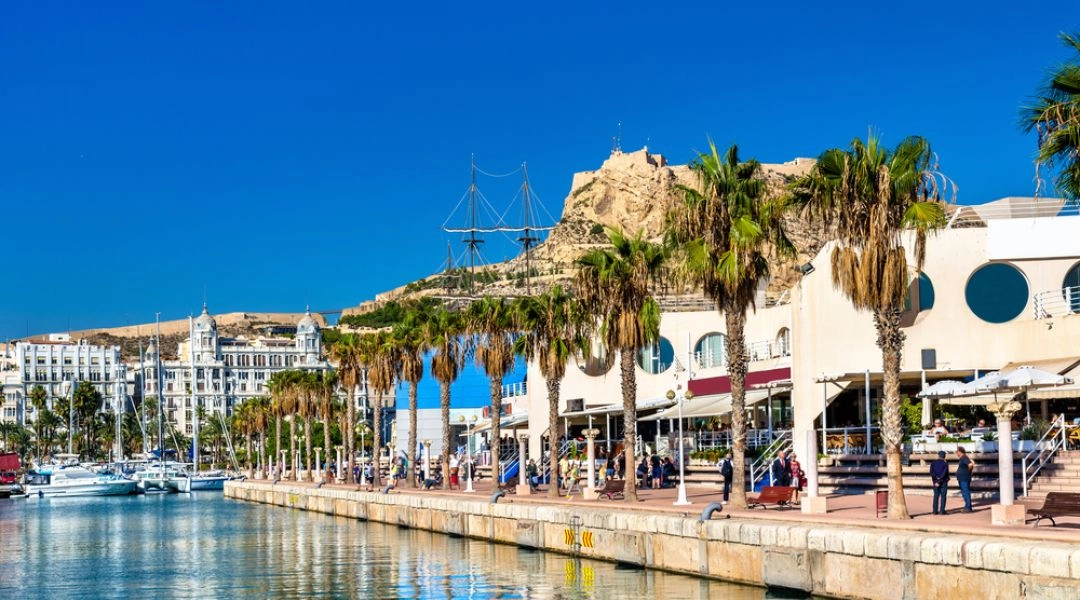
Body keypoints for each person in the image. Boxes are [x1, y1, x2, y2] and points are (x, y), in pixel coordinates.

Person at [930, 450, 950, 515]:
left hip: (935, 482)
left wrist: (936, 479)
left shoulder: (933, 463)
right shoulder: (945, 464)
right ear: (944, 456)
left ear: (938, 456)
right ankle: (942, 510)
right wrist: (940, 479)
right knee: (943, 496)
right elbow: (944, 473)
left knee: (936, 496)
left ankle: (934, 511)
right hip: (943, 481)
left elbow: (931, 472)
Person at [954, 446, 973, 513]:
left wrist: (968, 472)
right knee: (964, 492)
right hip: (962, 478)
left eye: (957, 451)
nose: (956, 453)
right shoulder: (962, 458)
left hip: (964, 478)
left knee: (966, 492)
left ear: (960, 451)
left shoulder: (964, 457)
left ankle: (968, 507)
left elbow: (970, 465)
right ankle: (967, 506)